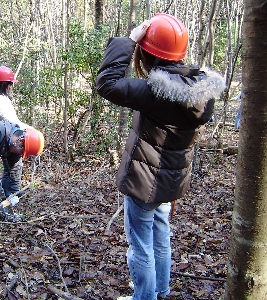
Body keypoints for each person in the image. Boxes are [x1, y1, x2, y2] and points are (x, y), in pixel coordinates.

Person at [96, 13, 225, 300]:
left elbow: (107, 83)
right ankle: (160, 290)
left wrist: (128, 41)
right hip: (170, 182)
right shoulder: (201, 92)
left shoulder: (155, 92)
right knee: (160, 237)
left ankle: (145, 297)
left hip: (144, 183)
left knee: (140, 245)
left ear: (147, 53)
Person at [0, 66, 33, 209]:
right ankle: (12, 196)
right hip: (7, 138)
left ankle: (8, 195)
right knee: (14, 166)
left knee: (8, 167)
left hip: (1, 137)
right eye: (11, 84)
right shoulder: (1, 101)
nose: (12, 86)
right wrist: (29, 129)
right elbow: (13, 121)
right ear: (7, 84)